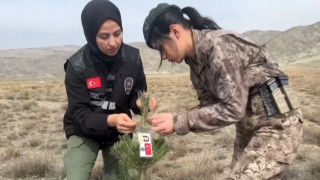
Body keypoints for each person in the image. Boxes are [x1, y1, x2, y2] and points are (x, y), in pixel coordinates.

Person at [143, 3, 303, 180]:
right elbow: (210, 106)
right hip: (248, 125)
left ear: (175, 31)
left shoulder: (218, 46)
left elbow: (233, 109)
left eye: (160, 47)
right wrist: (174, 118)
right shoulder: (195, 63)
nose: (163, 56)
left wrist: (179, 121)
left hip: (276, 123)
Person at [63, 0, 156, 179]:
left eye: (117, 33)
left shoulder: (132, 58)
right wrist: (111, 119)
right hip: (84, 131)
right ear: (91, 35)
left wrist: (140, 103)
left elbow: (136, 93)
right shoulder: (77, 66)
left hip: (118, 133)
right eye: (104, 37)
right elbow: (80, 115)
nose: (113, 42)